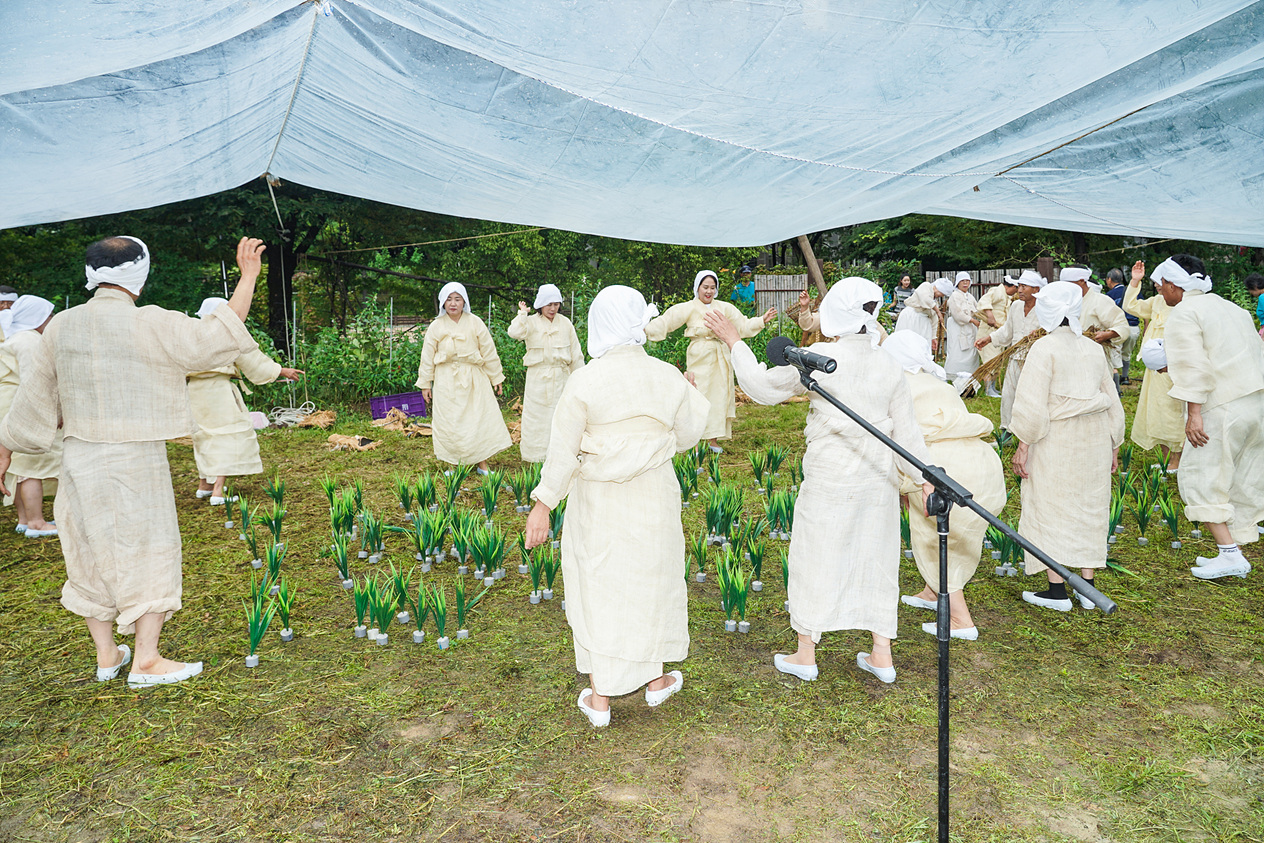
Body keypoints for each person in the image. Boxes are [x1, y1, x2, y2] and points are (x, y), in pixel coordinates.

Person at [0, 236, 264, 687]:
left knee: (87, 549)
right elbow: (217, 334)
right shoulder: (150, 322)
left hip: (78, 457)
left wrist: (5, 450)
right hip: (134, 457)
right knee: (148, 549)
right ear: (139, 276)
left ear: (91, 274)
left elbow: (34, 401)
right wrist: (248, 276)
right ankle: (145, 660)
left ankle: (107, 656)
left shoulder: (62, 325)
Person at [706, 277, 933, 685]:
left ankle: (805, 653)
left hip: (831, 476)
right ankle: (882, 654)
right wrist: (925, 477)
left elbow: (759, 387)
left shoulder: (820, 356)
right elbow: (908, 433)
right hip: (877, 478)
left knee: (816, 553)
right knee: (876, 555)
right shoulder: (887, 362)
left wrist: (734, 341)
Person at [523, 285, 709, 728]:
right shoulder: (666, 374)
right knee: (652, 581)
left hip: (600, 502)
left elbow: (563, 452)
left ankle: (602, 697)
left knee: (600, 586)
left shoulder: (584, 380)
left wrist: (542, 505)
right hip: (654, 497)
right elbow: (686, 437)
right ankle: (656, 681)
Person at [1010, 282, 1124, 612]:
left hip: (1055, 440)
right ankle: (1088, 590)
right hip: (1093, 439)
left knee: (1050, 505)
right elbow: (1112, 399)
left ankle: (1057, 591)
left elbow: (1031, 407)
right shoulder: (1092, 348)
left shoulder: (1044, 348)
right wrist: (1114, 443)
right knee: (1088, 507)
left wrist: (1023, 446)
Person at [884, 332, 1006, 639]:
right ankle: (931, 591)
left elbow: (894, 440)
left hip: (942, 470)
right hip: (982, 465)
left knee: (938, 541)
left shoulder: (897, 386)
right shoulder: (938, 382)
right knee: (937, 537)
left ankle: (961, 619)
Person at [1158, 255, 1264, 579]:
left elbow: (1194, 366)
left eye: (1161, 284)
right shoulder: (1233, 307)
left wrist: (1194, 414)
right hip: (1256, 401)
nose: (1160, 291)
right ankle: (1232, 549)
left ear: (1175, 286)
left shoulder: (1184, 313)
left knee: (1204, 473)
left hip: (1222, 405)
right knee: (1242, 476)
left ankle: (1230, 554)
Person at [187, 297, 304, 504]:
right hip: (217, 390)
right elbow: (250, 358)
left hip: (194, 391)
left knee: (204, 435)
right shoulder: (224, 334)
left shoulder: (191, 335)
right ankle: (217, 492)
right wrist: (281, 371)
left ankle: (204, 485)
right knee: (227, 434)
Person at [644, 270, 775, 453]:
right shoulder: (688, 307)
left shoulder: (724, 307)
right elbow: (667, 320)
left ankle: (712, 440)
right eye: (705, 287)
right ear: (697, 288)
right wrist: (645, 329)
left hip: (721, 356)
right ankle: (695, 442)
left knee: (719, 397)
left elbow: (742, 325)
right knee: (698, 395)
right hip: (699, 356)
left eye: (713, 288)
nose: (709, 291)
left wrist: (762, 320)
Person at [416, 282, 512, 474]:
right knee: (450, 421)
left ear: (464, 301)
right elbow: (427, 356)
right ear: (443, 302)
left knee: (478, 418)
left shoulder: (475, 321)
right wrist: (425, 383)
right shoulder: (436, 326)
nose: (453, 303)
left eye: (457, 299)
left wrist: (496, 377)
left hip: (474, 378)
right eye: (449, 299)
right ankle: (453, 464)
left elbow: (488, 350)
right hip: (446, 379)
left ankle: (482, 464)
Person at [0, 296, 61, 537]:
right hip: (20, 403)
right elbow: (33, 379)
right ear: (37, 318)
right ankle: (36, 522)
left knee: (20, 465)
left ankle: (25, 519)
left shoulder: (17, 336)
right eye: (49, 316)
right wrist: (52, 412)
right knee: (32, 464)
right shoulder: (29, 340)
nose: (52, 320)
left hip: (10, 402)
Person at [507, 283, 584, 463]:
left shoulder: (565, 323)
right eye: (549, 304)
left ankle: (561, 457)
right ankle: (536, 456)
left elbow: (576, 354)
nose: (553, 308)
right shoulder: (530, 322)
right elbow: (514, 332)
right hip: (537, 378)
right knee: (536, 418)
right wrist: (522, 315)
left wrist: (580, 380)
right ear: (540, 304)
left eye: (556, 304)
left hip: (561, 377)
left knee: (562, 416)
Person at [1123, 260, 1184, 470]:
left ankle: (1177, 461)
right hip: (1154, 369)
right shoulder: (1157, 301)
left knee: (1174, 412)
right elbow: (1130, 306)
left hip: (1174, 368)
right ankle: (1167, 460)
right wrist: (1134, 281)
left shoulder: (1185, 305)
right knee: (1158, 412)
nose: (1158, 286)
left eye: (1161, 282)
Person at [975, 269, 1045, 430]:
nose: (1019, 290)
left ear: (1036, 289)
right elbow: (1007, 331)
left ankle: (1031, 430)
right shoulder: (1016, 306)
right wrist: (988, 339)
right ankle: (1007, 428)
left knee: (1032, 396)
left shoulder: (1044, 309)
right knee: (1008, 394)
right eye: (1019, 286)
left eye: (1024, 286)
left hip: (1036, 360)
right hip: (1015, 358)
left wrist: (1041, 335)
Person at [1060, 266, 1130, 384]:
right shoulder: (1065, 302)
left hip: (1095, 359)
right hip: (1070, 359)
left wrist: (1106, 335)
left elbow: (1122, 326)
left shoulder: (1100, 301)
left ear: (1082, 282)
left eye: (1069, 284)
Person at [796, 289, 887, 346]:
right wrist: (804, 307)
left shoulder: (872, 324)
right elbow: (808, 324)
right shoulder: (833, 315)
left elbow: (886, 343)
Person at [976, 276, 1016, 397]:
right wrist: (990, 316)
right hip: (988, 332)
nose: (1016, 291)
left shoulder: (1007, 297)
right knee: (990, 360)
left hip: (998, 332)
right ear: (1010, 286)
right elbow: (984, 301)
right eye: (1016, 288)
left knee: (997, 361)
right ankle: (988, 389)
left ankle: (992, 387)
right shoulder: (996, 291)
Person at [1105, 267, 1140, 384]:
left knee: (1115, 353)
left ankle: (1115, 381)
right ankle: (1125, 377)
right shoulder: (1132, 291)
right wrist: (1145, 327)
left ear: (1109, 279)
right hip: (1134, 327)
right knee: (1127, 353)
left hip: (1118, 329)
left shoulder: (1109, 295)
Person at [944, 272, 981, 385]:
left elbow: (977, 310)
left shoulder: (970, 297)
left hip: (970, 328)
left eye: (967, 281)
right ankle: (953, 375)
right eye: (962, 281)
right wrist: (972, 320)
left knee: (970, 350)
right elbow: (957, 313)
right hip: (958, 327)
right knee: (956, 351)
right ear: (958, 283)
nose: (965, 283)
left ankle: (970, 375)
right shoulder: (955, 295)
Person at [893, 278, 945, 353]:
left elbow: (934, 319)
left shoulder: (935, 303)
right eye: (941, 293)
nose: (940, 296)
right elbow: (925, 299)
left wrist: (933, 337)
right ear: (937, 288)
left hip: (923, 323)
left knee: (921, 348)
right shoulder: (926, 286)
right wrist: (938, 311)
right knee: (905, 344)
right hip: (910, 317)